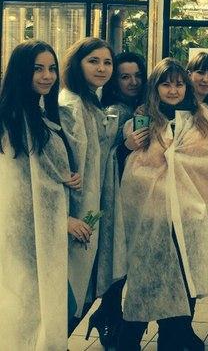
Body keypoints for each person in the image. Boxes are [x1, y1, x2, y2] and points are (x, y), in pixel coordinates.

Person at [117, 58, 208, 351]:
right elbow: (135, 167)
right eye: (166, 84)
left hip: (187, 215)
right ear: (155, 87)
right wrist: (132, 146)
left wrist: (176, 163)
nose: (173, 90)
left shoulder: (201, 117)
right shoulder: (143, 117)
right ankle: (129, 340)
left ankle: (173, 339)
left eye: (178, 84)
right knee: (146, 281)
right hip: (152, 217)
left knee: (185, 281)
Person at [0, 40, 79, 350]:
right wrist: (63, 219)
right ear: (22, 72)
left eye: (51, 68)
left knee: (49, 305)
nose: (47, 76)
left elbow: (44, 171)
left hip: (42, 230)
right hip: (24, 232)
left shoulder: (38, 113)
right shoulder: (13, 119)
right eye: (38, 69)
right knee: (32, 308)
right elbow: (21, 186)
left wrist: (66, 179)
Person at [59, 37, 126, 346]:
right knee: (69, 291)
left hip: (89, 209)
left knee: (81, 289)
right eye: (93, 61)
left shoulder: (90, 101)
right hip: (73, 214)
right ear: (77, 64)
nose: (102, 68)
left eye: (107, 62)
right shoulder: (69, 104)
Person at [101, 51, 147, 176]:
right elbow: (103, 156)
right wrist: (126, 146)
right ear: (114, 81)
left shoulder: (142, 107)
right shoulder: (114, 112)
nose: (134, 82)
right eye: (125, 77)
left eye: (138, 75)